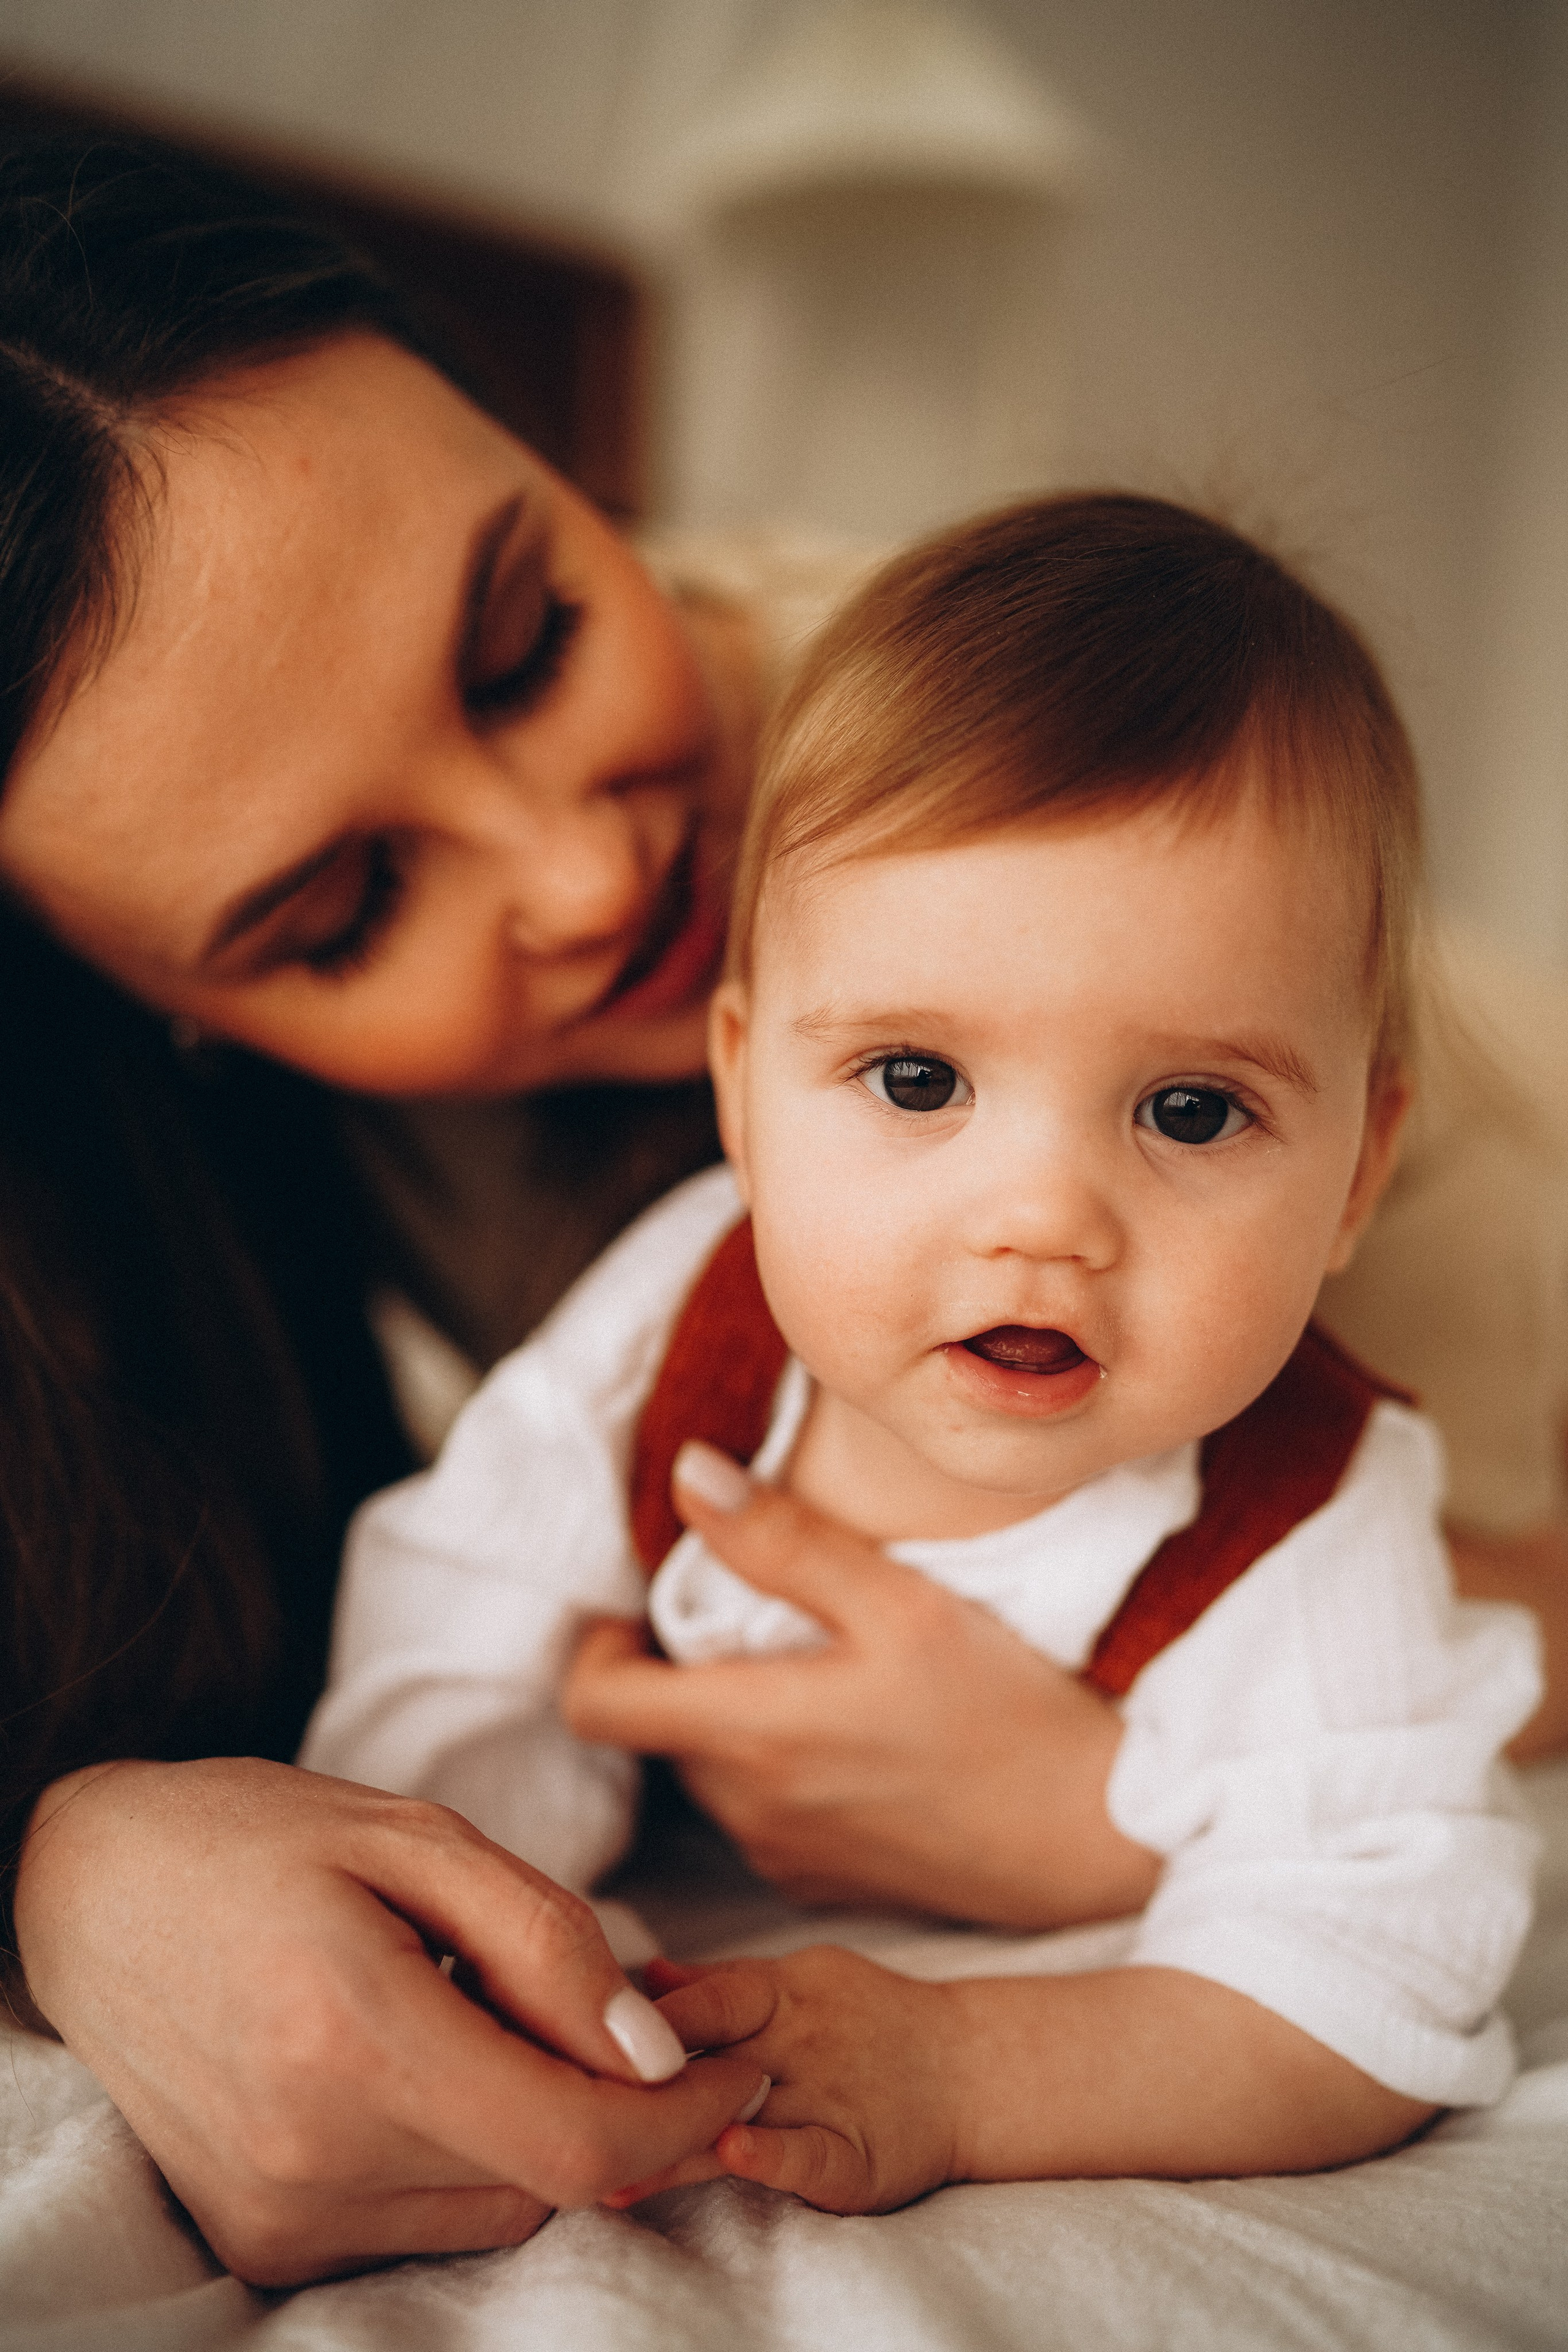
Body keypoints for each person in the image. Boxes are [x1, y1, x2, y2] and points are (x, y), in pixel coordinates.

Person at [0, 135, 1560, 2283]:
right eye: (347, 907)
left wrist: (1074, 1839)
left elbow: (1398, 1875)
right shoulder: (649, 1330)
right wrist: (436, 1904)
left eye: (532, 632)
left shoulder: (1160, 852)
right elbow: (463, 1612)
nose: (581, 875)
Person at [304, 496, 1539, 2204]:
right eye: (915, 1079)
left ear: (1355, 1178)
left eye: (1191, 1108)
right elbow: (461, 1623)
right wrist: (481, 1939)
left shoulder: (1311, 1516)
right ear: (742, 1086)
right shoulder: (683, 1315)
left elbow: (1372, 1980)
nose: (1040, 1218)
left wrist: (963, 2073)